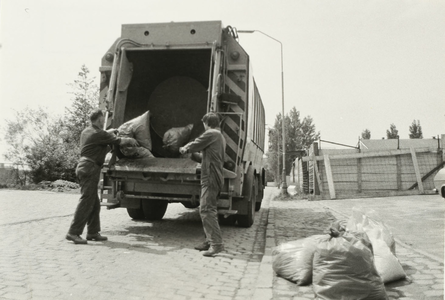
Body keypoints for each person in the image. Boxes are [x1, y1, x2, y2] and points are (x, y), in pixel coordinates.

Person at [66, 109, 139, 244]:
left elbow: (103, 134)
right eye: (102, 119)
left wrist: (111, 131)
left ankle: (93, 232)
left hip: (84, 166)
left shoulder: (87, 131)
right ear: (100, 120)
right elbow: (119, 141)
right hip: (90, 168)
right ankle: (73, 232)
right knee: (86, 201)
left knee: (94, 203)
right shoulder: (98, 134)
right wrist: (129, 139)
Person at [179, 112, 226, 257]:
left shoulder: (212, 133)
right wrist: (193, 155)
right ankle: (209, 240)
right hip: (213, 176)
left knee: (206, 209)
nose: (204, 127)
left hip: (211, 177)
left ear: (207, 123)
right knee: (209, 208)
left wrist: (185, 148)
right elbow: (205, 158)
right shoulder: (219, 136)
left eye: (204, 124)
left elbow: (196, 143)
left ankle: (216, 245)